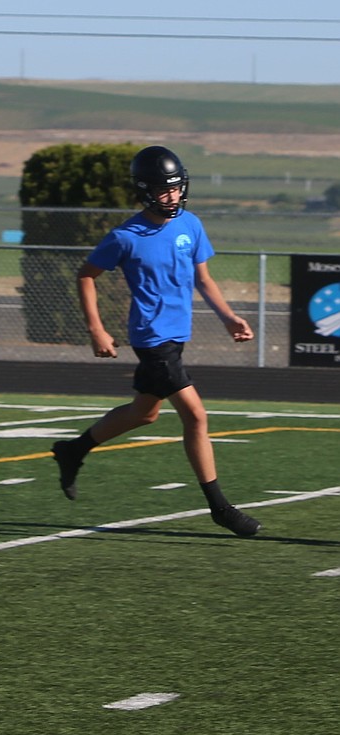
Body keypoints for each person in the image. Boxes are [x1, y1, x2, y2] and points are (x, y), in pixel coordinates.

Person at [50, 145, 262, 538]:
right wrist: (96, 328)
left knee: (144, 413)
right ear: (145, 191)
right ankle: (220, 507)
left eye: (178, 188)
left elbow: (203, 279)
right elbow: (86, 275)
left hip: (177, 336)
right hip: (152, 338)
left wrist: (229, 317)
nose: (173, 196)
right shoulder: (124, 236)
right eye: (165, 190)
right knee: (196, 416)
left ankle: (73, 450)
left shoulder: (191, 225)